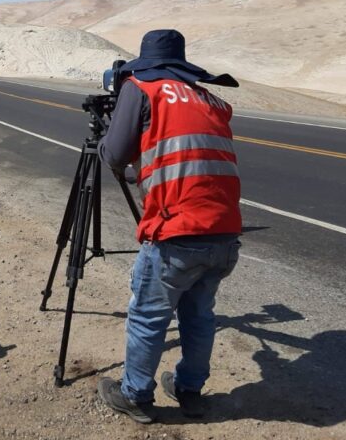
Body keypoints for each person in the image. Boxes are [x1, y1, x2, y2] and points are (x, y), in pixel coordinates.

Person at [96, 29, 242, 423]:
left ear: (145, 63)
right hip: (225, 235)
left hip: (178, 235)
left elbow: (114, 153)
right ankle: (190, 390)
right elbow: (184, 161)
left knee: (147, 315)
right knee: (199, 314)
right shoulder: (209, 97)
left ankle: (135, 396)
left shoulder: (142, 87)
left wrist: (107, 133)